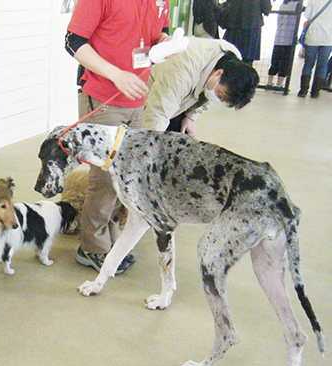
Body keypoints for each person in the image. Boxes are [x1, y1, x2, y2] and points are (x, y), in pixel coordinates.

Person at [64, 0, 170, 274]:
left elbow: (160, 29)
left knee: (123, 180)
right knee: (104, 181)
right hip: (103, 97)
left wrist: (165, 42)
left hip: (135, 99)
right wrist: (116, 74)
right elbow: (73, 41)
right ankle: (91, 248)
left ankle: (110, 242)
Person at [144, 37, 260, 135]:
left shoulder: (231, 60)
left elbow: (209, 94)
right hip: (145, 90)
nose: (217, 99)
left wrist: (190, 116)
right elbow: (157, 113)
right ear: (218, 73)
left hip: (181, 96)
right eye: (219, 95)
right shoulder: (181, 74)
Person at [219, 0, 272, 65]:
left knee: (230, 57)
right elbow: (267, 9)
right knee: (247, 60)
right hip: (252, 27)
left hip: (234, 26)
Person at [297, 0, 332, 98]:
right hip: (328, 38)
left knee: (308, 64)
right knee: (322, 65)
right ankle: (315, 92)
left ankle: (303, 90)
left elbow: (307, 15)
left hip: (313, 35)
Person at [267, 0, 301, 89]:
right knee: (285, 62)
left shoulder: (283, 4)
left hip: (279, 37)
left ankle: (269, 83)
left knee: (275, 61)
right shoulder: (297, 4)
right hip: (289, 38)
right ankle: (279, 84)